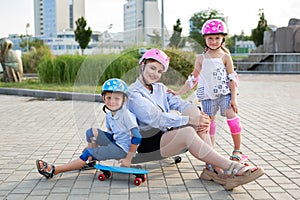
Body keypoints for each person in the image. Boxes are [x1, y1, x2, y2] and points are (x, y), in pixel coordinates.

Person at [127, 48, 264, 190]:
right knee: (188, 131)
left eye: (159, 71)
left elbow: (180, 103)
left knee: (199, 118)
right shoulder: (133, 93)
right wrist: (189, 120)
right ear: (142, 65)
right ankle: (232, 167)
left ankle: (213, 170)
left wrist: (197, 116)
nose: (155, 74)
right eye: (152, 68)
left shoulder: (160, 88)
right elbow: (156, 119)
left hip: (163, 136)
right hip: (144, 144)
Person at [168, 19, 244, 162]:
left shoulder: (225, 57)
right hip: (208, 97)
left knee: (232, 116)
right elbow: (193, 79)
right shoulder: (201, 58)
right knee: (208, 125)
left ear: (222, 39)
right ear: (205, 39)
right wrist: (179, 93)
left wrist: (234, 98)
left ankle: (237, 149)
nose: (214, 41)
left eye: (217, 38)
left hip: (225, 94)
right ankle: (211, 153)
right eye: (210, 38)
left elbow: (232, 78)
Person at [36, 78, 142, 179]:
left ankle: (54, 170)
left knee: (88, 153)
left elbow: (137, 137)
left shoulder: (126, 114)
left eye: (116, 98)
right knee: (91, 132)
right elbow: (111, 135)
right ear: (103, 98)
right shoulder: (109, 115)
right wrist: (90, 146)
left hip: (124, 150)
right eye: (109, 98)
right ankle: (90, 161)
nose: (112, 102)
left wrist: (128, 158)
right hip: (116, 142)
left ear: (124, 100)